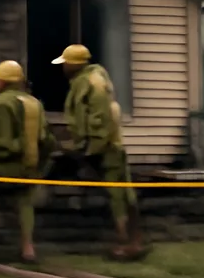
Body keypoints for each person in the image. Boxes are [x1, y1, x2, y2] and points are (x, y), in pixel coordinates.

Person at [52, 43, 145, 260]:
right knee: (121, 192)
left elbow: (99, 118)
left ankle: (126, 241)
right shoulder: (84, 81)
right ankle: (131, 239)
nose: (63, 68)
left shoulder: (93, 83)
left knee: (118, 194)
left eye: (65, 64)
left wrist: (91, 148)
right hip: (105, 146)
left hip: (107, 147)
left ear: (74, 65)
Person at [0, 59, 56, 263]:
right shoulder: (34, 103)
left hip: (6, 169)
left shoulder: (3, 103)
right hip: (31, 168)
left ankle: (3, 245)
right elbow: (47, 140)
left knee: (8, 193)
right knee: (25, 203)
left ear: (1, 82)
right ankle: (28, 247)